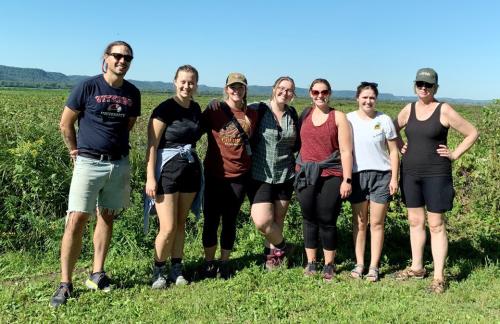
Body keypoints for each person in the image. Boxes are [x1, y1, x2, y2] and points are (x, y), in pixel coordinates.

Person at [50, 41, 141, 307]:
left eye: (127, 57)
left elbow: (129, 124)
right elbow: (65, 123)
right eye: (117, 56)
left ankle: (97, 273)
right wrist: (74, 151)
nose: (122, 61)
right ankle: (65, 283)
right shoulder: (87, 86)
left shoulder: (133, 92)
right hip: (88, 162)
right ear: (106, 58)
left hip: (118, 163)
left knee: (107, 216)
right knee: (76, 219)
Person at [394, 68, 478, 293]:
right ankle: (417, 267)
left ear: (436, 88)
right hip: (410, 173)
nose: (424, 88)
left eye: (428, 85)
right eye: (420, 84)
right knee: (414, 221)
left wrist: (454, 154)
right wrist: (398, 144)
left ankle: (439, 276)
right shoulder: (408, 109)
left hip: (436, 174)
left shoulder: (444, 109)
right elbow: (391, 129)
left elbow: (472, 132)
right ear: (415, 86)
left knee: (436, 224)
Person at [144, 65, 202, 288]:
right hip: (166, 171)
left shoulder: (196, 108)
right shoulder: (164, 109)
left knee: (180, 223)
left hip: (189, 170)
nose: (187, 86)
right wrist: (150, 178)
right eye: (183, 82)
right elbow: (151, 145)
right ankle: (158, 269)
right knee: (167, 226)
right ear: (175, 82)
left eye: (191, 82)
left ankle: (176, 268)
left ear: (196, 84)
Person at [200, 73, 259, 279]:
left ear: (245, 90)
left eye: (240, 87)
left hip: (239, 176)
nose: (236, 90)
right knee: (211, 220)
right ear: (226, 89)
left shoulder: (252, 113)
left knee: (230, 220)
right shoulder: (214, 110)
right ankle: (209, 262)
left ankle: (224, 262)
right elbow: (194, 129)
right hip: (215, 174)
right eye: (232, 87)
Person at [295, 78, 353, 281]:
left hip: (332, 174)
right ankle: (311, 262)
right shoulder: (304, 115)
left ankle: (329, 264)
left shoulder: (338, 117)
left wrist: (347, 179)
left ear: (330, 93)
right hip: (305, 173)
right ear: (310, 93)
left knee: (327, 219)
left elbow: (346, 150)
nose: (320, 96)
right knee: (308, 218)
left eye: (324, 92)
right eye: (316, 92)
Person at [347, 82, 399, 282]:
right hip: (358, 175)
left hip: (382, 175)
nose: (368, 101)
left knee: (377, 223)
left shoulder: (384, 119)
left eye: (372, 97)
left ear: (376, 99)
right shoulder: (348, 119)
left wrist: (394, 178)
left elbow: (393, 151)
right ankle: (359, 263)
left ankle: (374, 266)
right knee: (360, 222)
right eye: (364, 97)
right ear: (357, 98)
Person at [247, 76, 299, 270]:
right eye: (281, 88)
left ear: (293, 94)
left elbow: (297, 143)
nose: (284, 93)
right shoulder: (258, 109)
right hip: (261, 174)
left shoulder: (292, 114)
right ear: (273, 88)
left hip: (286, 174)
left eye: (289, 90)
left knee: (278, 221)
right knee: (262, 221)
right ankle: (286, 247)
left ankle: (273, 261)